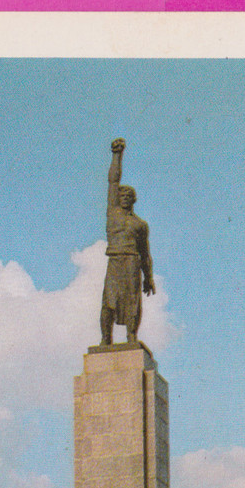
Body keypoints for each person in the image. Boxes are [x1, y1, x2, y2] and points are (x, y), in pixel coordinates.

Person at [99, 138, 155, 345]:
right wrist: (117, 155)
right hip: (114, 260)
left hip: (132, 261)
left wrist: (148, 278)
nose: (122, 196)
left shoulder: (140, 224)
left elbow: (145, 253)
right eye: (120, 194)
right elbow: (113, 180)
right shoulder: (112, 213)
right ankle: (106, 338)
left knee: (132, 301)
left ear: (133, 200)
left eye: (127, 195)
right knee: (109, 301)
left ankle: (132, 336)